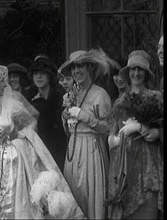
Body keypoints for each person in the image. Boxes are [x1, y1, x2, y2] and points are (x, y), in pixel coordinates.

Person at [0, 64, 86, 219]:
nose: (6, 85)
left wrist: (20, 139)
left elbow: (31, 121)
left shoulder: (10, 105)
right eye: (2, 81)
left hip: (8, 160)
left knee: (9, 202)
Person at [107, 50, 163, 219]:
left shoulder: (156, 97)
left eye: (140, 69)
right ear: (128, 72)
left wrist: (145, 129)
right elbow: (111, 135)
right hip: (126, 164)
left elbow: (160, 128)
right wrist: (114, 140)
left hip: (148, 165)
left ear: (146, 73)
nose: (136, 73)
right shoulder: (120, 101)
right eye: (133, 69)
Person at [60, 49, 112, 219]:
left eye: (81, 66)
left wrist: (86, 117)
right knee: (73, 194)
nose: (77, 71)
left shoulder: (100, 94)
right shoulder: (70, 95)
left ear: (90, 67)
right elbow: (68, 131)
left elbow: (108, 128)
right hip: (73, 150)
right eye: (74, 68)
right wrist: (65, 117)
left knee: (91, 195)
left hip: (92, 150)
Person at [26, 54, 67, 172]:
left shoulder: (59, 94)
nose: (38, 76)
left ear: (49, 75)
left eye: (42, 73)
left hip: (57, 145)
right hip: (38, 144)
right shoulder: (30, 95)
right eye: (35, 73)